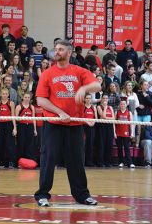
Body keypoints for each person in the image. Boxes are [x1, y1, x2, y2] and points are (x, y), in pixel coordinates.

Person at [34, 39, 101, 207]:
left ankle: (82, 195)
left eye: (61, 49)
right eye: (56, 49)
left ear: (69, 53)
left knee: (76, 160)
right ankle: (42, 195)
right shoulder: (47, 73)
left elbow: (97, 85)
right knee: (48, 159)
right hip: (54, 123)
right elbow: (41, 100)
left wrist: (84, 89)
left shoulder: (79, 71)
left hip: (74, 125)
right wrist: (59, 112)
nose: (57, 51)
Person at [0, 88, 17, 168]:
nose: (4, 95)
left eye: (6, 94)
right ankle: (2, 162)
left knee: (10, 144)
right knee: (0, 144)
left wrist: (14, 128)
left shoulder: (11, 103)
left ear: (8, 95)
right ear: (1, 94)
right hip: (0, 124)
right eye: (3, 93)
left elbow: (13, 116)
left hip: (8, 124)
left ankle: (13, 162)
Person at [15, 92, 37, 161]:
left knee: (30, 144)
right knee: (21, 143)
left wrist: (35, 129)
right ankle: (20, 161)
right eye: (25, 97)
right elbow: (15, 118)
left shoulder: (32, 107)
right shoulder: (19, 106)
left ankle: (29, 161)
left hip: (30, 126)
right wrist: (21, 117)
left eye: (28, 97)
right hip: (21, 126)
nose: (27, 99)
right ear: (23, 98)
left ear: (30, 99)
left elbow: (34, 119)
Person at [114, 99, 135, 168]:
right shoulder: (117, 112)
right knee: (119, 148)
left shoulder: (129, 113)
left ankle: (129, 163)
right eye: (121, 104)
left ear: (126, 105)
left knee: (127, 148)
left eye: (124, 104)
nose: (122, 105)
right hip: (118, 133)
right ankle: (121, 162)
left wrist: (132, 133)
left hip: (126, 133)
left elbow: (131, 124)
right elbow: (114, 123)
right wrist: (114, 132)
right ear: (120, 105)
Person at [83, 94, 97, 167]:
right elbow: (81, 117)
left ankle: (89, 161)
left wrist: (92, 123)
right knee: (83, 145)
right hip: (84, 128)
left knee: (90, 145)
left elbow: (96, 118)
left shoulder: (93, 107)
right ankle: (83, 161)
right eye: (87, 98)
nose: (88, 99)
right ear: (85, 99)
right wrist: (87, 122)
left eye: (89, 98)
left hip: (91, 128)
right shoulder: (82, 107)